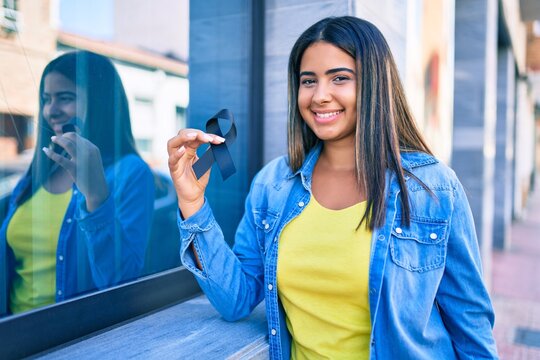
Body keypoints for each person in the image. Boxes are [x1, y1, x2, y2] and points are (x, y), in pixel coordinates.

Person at [167, 16, 498, 359]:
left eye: (340, 78)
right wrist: (192, 202)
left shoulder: (432, 188)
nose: (320, 96)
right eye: (308, 81)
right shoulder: (273, 185)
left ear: (374, 84)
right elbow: (235, 299)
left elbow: (470, 325)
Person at [0, 50, 155, 315]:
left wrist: (96, 197)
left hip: (71, 341)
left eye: (66, 98)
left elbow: (120, 282)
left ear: (99, 102)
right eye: (46, 99)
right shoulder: (42, 169)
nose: (51, 110)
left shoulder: (131, 172)